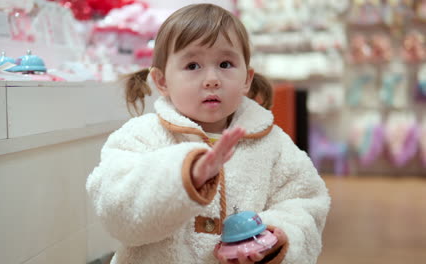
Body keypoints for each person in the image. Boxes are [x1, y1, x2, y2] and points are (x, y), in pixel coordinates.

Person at [86, 3, 330, 264]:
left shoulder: (273, 142)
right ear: (162, 81)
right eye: (193, 66)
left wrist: (273, 240)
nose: (212, 79)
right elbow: (115, 209)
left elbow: (305, 202)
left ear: (246, 79)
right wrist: (182, 177)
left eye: (225, 64)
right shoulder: (141, 136)